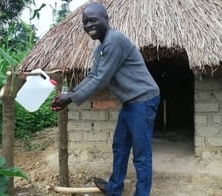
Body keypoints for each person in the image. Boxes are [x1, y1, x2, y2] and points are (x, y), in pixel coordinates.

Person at [50, 2, 160, 196]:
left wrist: (70, 99)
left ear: (106, 19)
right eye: (85, 22)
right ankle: (114, 188)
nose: (89, 25)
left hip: (143, 100)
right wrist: (69, 94)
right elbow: (93, 76)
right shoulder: (100, 49)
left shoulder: (114, 40)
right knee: (120, 146)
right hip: (130, 102)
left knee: (141, 154)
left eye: (93, 20)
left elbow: (101, 80)